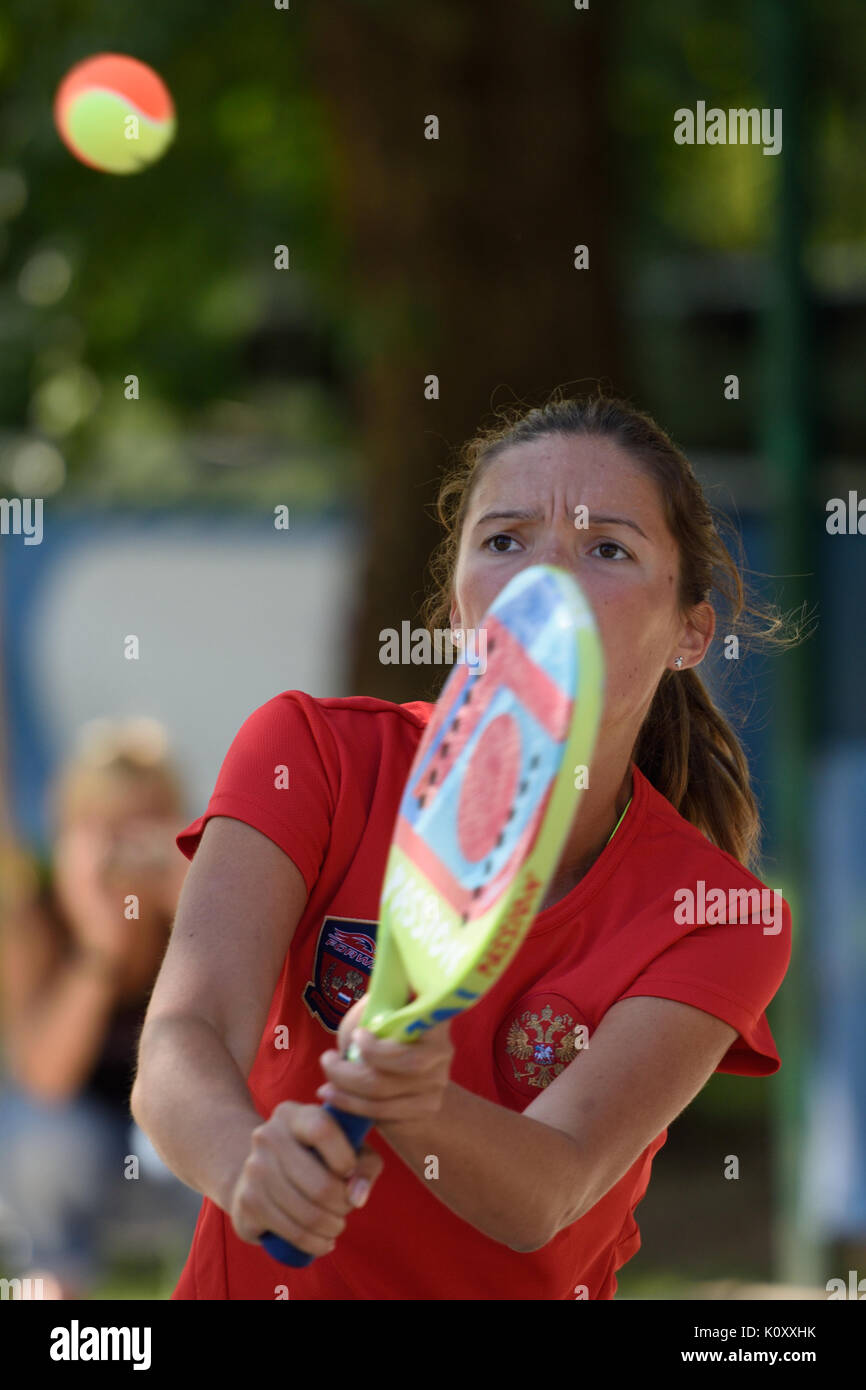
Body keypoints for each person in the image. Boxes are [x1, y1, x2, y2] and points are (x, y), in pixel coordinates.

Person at [132, 393, 796, 1300]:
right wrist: (245, 1161)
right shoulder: (309, 755)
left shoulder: (723, 916)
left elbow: (549, 1189)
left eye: (608, 548)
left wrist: (412, 1096)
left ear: (689, 631)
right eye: (505, 541)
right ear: (455, 607)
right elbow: (183, 1035)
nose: (544, 582)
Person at [0, 718, 199, 1298]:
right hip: (71, 1148)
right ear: (68, 834)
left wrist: (194, 921)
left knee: (217, 1126)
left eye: (146, 826)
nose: (127, 851)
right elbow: (45, 1080)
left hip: (168, 1146)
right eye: (106, 829)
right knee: (44, 1139)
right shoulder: (32, 915)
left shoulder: (198, 908)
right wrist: (100, 948)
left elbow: (233, 1055)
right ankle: (56, 1289)